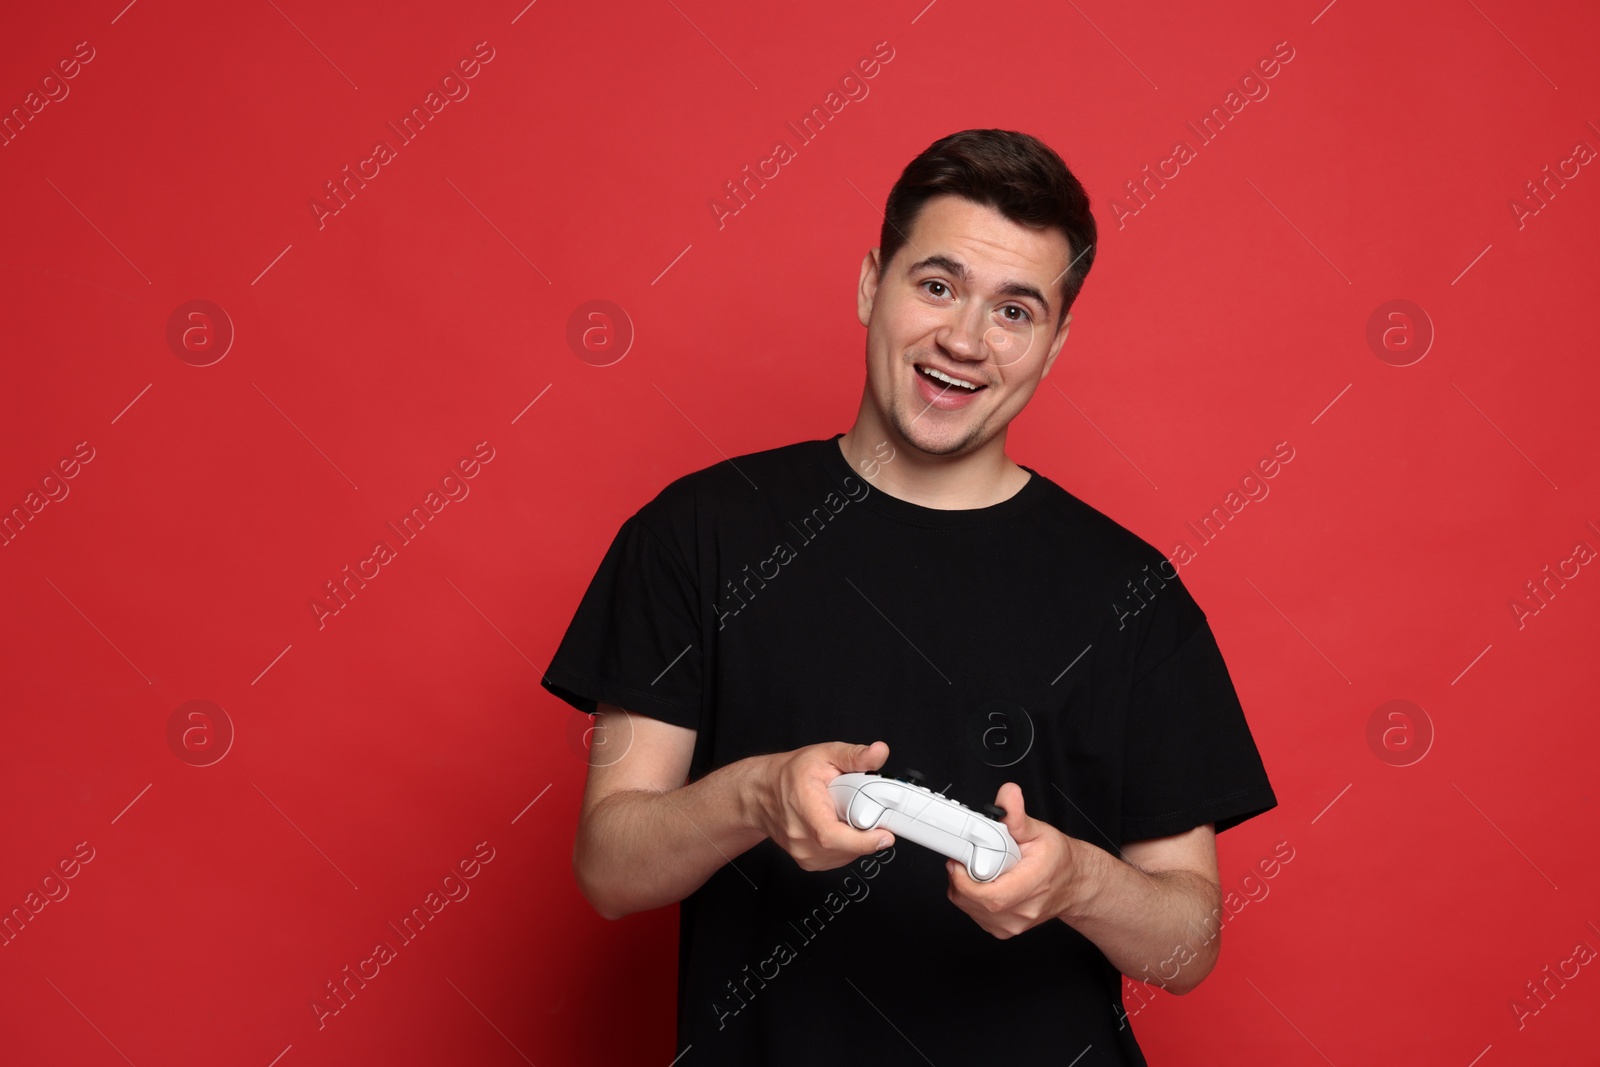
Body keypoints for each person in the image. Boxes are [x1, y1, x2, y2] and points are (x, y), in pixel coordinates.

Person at [541, 128, 1277, 1065]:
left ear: (1054, 345)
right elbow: (609, 865)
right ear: (869, 286)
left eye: (1016, 311)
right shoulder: (699, 533)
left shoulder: (1134, 592)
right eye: (938, 285)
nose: (965, 340)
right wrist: (757, 796)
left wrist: (1079, 883)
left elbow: (1188, 946)